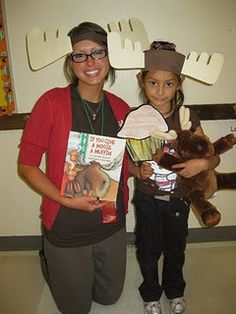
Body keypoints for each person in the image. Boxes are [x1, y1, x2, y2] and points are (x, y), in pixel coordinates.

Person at [18, 21, 130, 314]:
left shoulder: (121, 108)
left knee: (110, 298)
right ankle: (50, 261)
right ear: (71, 62)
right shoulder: (51, 102)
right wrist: (64, 199)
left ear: (109, 58)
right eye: (80, 55)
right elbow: (27, 165)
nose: (90, 62)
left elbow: (126, 166)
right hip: (67, 228)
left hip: (111, 225)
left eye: (98, 52)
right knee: (75, 309)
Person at [128, 41, 220, 314]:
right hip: (146, 198)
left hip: (179, 199)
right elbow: (124, 162)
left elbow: (214, 157)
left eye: (168, 84)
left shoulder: (188, 118)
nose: (160, 90)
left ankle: (175, 290)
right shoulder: (135, 118)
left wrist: (201, 163)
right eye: (153, 82)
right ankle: (150, 292)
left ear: (178, 84)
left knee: (175, 248)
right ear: (142, 81)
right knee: (148, 249)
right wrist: (137, 171)